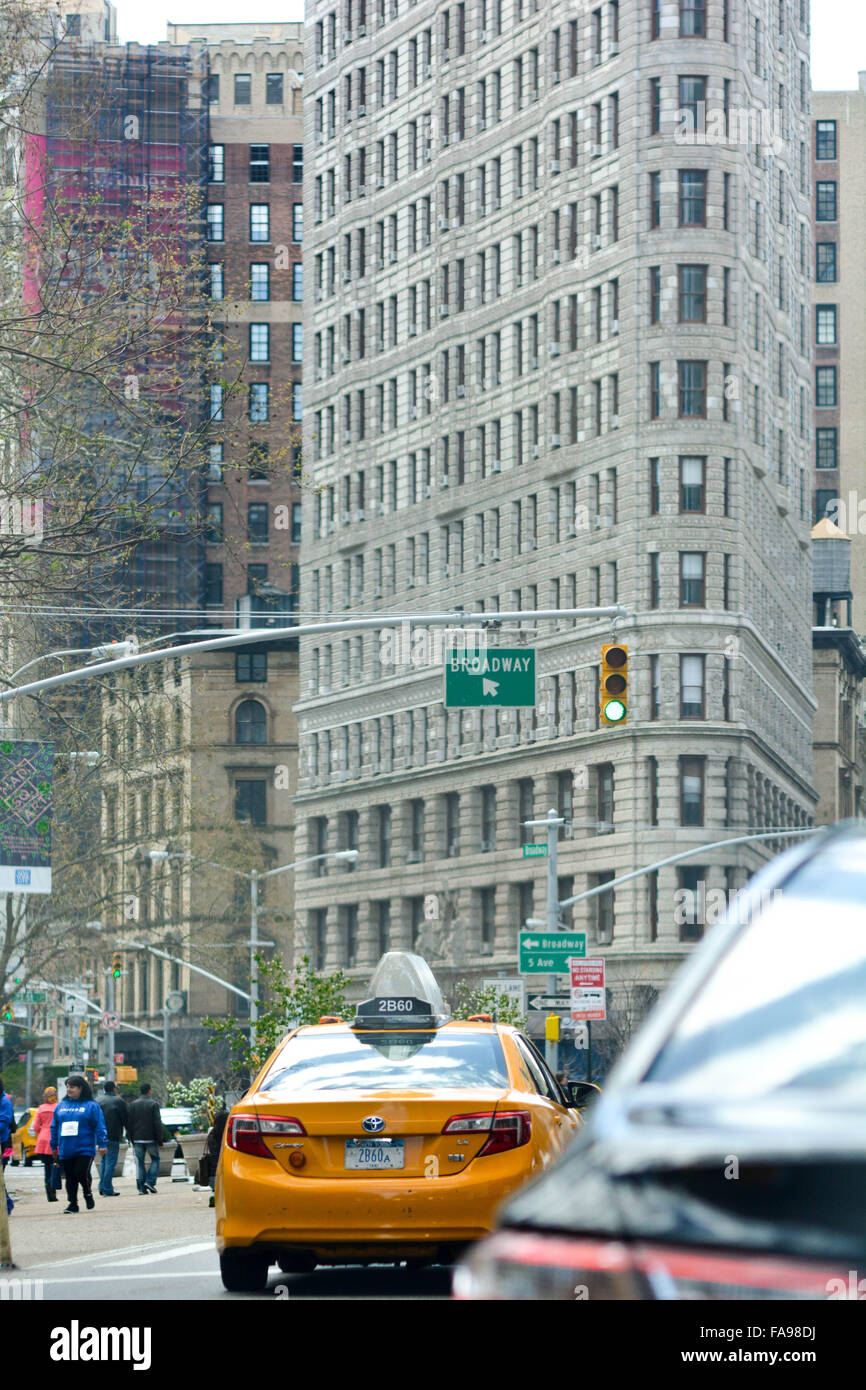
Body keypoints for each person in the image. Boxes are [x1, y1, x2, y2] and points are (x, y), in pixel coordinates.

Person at [50, 1075, 107, 1214]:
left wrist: (102, 1143)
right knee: (70, 1178)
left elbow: (99, 1125)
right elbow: (54, 1126)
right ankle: (73, 1204)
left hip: (85, 1148)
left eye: (72, 1087)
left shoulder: (91, 1106)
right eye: (68, 1086)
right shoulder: (61, 1106)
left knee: (81, 1173)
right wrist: (53, 1146)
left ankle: (87, 1194)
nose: (69, 1089)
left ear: (81, 1088)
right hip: (66, 1148)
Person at [127, 1082, 167, 1195]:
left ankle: (141, 1187)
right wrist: (160, 1140)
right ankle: (150, 1182)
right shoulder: (153, 1104)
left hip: (137, 1138)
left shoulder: (133, 1104)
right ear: (149, 1091)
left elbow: (130, 1122)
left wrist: (131, 1138)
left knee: (140, 1162)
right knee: (155, 1159)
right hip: (151, 1138)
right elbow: (157, 1123)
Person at [97, 1081, 128, 1196]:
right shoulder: (119, 1101)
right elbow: (125, 1118)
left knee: (104, 1161)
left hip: (100, 1136)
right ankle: (107, 1188)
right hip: (113, 1134)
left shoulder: (98, 1101)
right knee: (110, 1162)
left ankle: (102, 1185)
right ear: (114, 1088)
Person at [32, 1086, 59, 1202]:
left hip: (43, 1140)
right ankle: (53, 1188)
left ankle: (49, 1191)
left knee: (47, 1167)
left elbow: (35, 1126)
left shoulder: (41, 1108)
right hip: (55, 1138)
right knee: (55, 1165)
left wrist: (42, 1131)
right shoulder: (58, 1107)